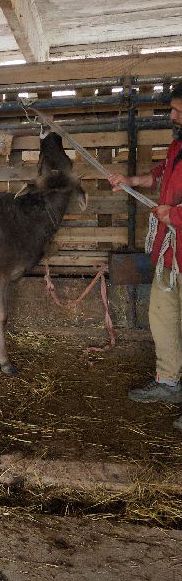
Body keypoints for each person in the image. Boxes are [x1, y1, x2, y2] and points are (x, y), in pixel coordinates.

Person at [109, 81, 182, 420]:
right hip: (171, 253)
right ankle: (169, 382)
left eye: (178, 110)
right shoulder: (177, 146)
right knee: (162, 317)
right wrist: (131, 181)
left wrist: (174, 215)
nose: (173, 116)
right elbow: (161, 175)